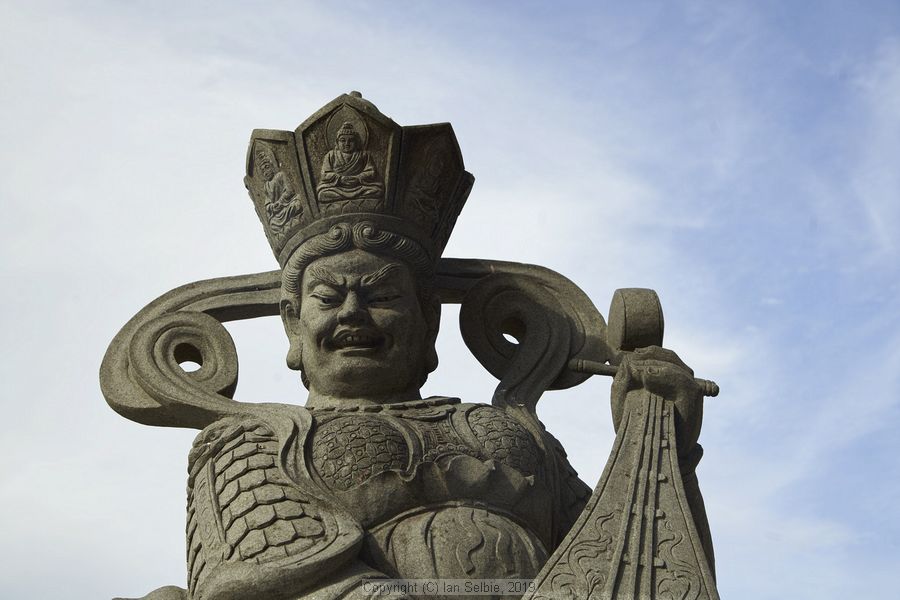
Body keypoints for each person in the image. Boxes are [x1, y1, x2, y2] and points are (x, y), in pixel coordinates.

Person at [118, 94, 711, 600]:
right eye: (330, 297)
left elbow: (633, 561)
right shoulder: (250, 442)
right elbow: (272, 579)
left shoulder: (514, 435)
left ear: (428, 317)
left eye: (380, 293)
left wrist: (662, 444)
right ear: (292, 325)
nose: (353, 313)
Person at [315, 122, 384, 203]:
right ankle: (356, 200)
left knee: (378, 191)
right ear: (337, 142)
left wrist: (358, 178)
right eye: (343, 140)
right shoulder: (331, 155)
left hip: (359, 186)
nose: (347, 144)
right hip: (337, 187)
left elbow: (371, 172)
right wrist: (340, 178)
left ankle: (347, 199)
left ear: (357, 142)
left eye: (351, 140)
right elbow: (324, 174)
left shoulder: (363, 154)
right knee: (322, 194)